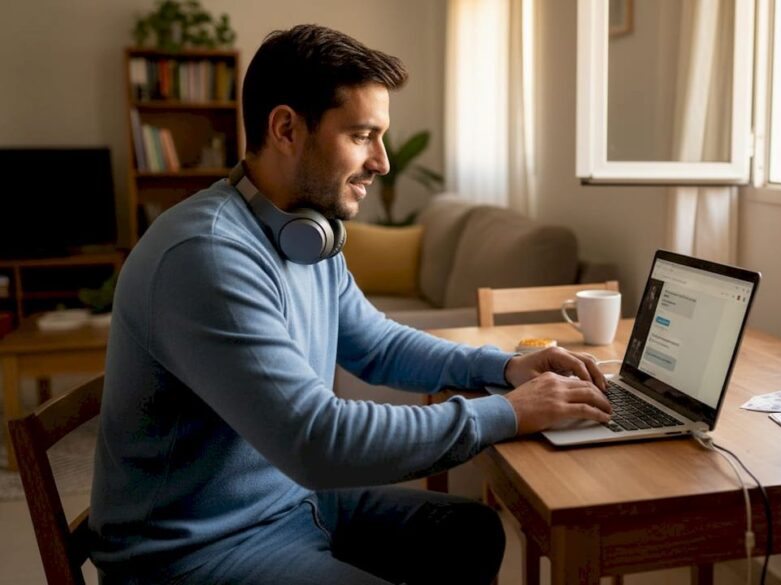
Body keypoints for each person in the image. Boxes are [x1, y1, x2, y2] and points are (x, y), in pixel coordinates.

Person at [89, 24, 612, 585]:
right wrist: (510, 412)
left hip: (289, 502)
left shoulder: (303, 232)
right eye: (362, 135)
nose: (382, 162)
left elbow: (378, 344)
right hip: (195, 551)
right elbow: (318, 441)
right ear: (286, 128)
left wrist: (504, 368)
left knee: (472, 532)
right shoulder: (208, 255)